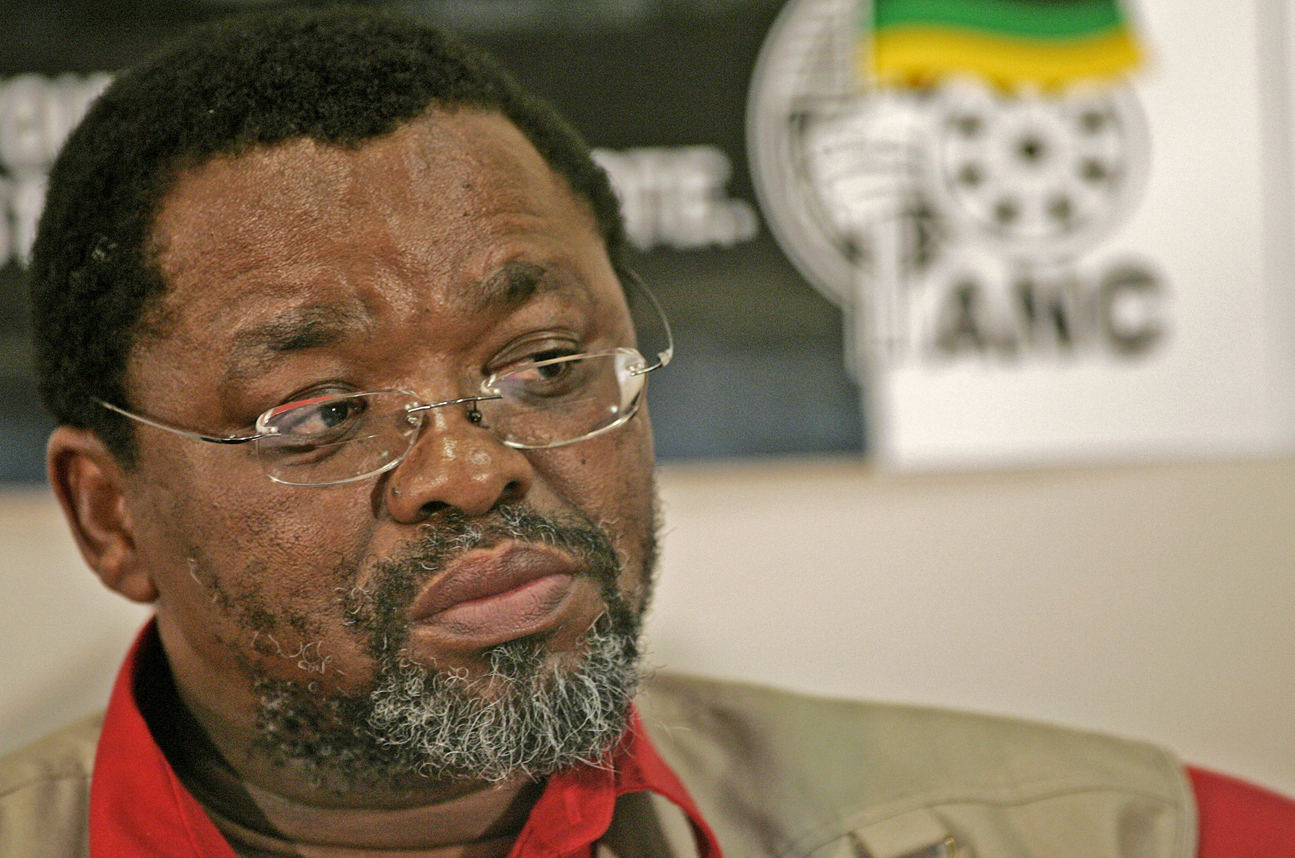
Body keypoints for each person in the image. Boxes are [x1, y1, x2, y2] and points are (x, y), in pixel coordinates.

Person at [3, 7, 1293, 857]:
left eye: (542, 364)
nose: (472, 468)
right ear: (111, 518)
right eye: (324, 414)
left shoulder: (1103, 831)